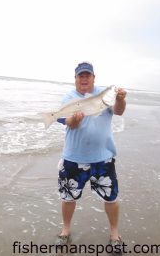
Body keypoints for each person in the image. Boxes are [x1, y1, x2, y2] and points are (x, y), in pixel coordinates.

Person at [56, 61, 126, 252]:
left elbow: (119, 111)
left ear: (94, 78)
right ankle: (65, 230)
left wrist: (120, 99)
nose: (84, 78)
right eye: (81, 76)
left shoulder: (105, 94)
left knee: (111, 198)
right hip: (73, 157)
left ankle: (114, 234)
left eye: (88, 75)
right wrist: (74, 119)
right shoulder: (69, 97)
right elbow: (67, 122)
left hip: (103, 157)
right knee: (68, 197)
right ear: (76, 79)